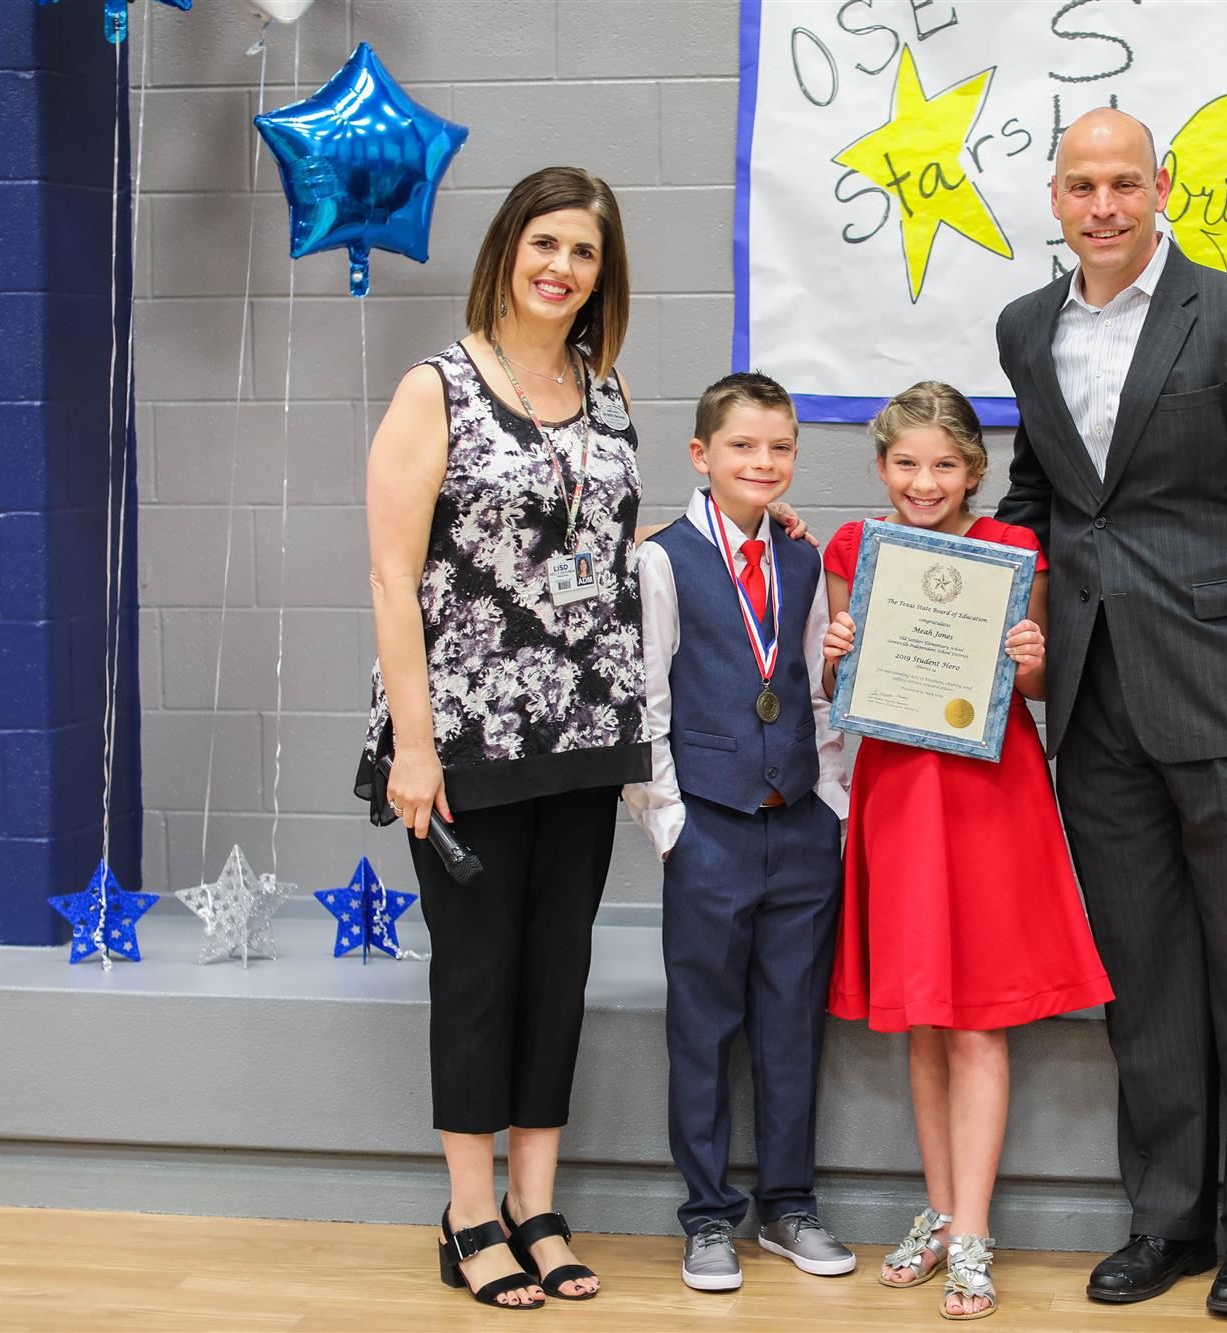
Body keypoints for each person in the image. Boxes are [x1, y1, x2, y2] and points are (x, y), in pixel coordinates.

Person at [993, 109, 1227, 1318]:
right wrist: (976, 606)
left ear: (1162, 188)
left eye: (1123, 183)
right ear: (1054, 197)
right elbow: (1040, 496)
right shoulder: (1025, 328)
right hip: (1091, 707)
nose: (1103, 205)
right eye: (1081, 185)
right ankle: (1168, 1217)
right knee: (1140, 978)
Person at [358, 166, 644, 1311]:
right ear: (507, 250)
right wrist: (413, 748)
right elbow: (390, 575)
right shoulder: (436, 387)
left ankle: (537, 1200)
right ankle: (468, 1211)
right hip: (464, 736)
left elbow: (603, 552)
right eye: (546, 244)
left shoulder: (605, 387)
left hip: (583, 731)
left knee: (556, 968)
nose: (561, 268)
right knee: (478, 971)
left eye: (583, 252)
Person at [823, 382, 1116, 1322]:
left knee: (977, 1017)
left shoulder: (1014, 551)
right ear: (881, 468)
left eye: (945, 464)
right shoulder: (853, 551)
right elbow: (839, 681)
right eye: (906, 463)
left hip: (989, 794)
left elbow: (1032, 683)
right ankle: (941, 1211)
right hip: (900, 794)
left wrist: (1031, 651)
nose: (924, 481)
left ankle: (976, 1231)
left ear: (975, 473)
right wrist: (836, 649)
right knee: (921, 1014)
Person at [622, 372, 856, 1292]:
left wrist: (830, 800)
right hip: (709, 827)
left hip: (799, 824)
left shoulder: (803, 561)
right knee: (703, 1025)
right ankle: (708, 1213)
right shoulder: (664, 559)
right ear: (701, 456)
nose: (763, 463)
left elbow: (813, 686)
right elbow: (648, 697)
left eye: (780, 448)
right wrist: (670, 822)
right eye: (743, 447)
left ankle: (788, 1206)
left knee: (792, 1024)